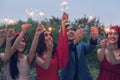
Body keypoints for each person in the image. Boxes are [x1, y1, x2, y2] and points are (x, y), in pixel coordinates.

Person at [35, 13, 69, 80]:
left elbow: (63, 44)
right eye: (46, 35)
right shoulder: (37, 55)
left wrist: (63, 24)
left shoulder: (56, 53)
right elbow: (45, 66)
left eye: (50, 35)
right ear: (41, 40)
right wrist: (49, 50)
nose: (50, 37)